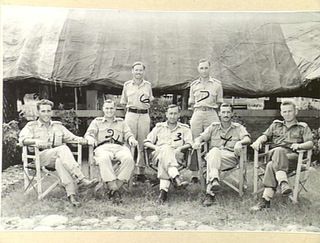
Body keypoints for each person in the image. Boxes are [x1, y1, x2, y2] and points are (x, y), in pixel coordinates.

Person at [19, 99, 98, 207]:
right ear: (38, 112)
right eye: (43, 111)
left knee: (60, 161)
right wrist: (35, 141)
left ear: (51, 112)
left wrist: (84, 140)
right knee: (62, 149)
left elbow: (73, 138)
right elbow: (22, 140)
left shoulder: (58, 126)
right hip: (40, 157)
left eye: (48, 111)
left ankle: (71, 196)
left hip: (56, 157)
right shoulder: (31, 126)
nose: (46, 114)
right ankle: (81, 179)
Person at [250, 100, 313, 211]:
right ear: (281, 113)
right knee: (279, 150)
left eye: (290, 111)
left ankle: (265, 200)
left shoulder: (302, 127)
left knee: (270, 165)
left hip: (292, 158)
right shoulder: (276, 125)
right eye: (284, 111)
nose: (287, 114)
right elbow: (265, 136)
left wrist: (299, 146)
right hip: (274, 154)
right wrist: (258, 141)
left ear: (296, 112)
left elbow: (310, 143)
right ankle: (283, 182)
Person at [193, 103, 251, 207]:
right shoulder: (213, 127)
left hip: (230, 158)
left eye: (228, 112)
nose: (226, 114)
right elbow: (201, 138)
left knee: (213, 155)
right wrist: (197, 142)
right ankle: (213, 183)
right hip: (214, 157)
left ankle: (210, 190)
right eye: (223, 112)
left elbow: (247, 139)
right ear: (219, 113)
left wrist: (239, 142)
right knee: (214, 152)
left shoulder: (238, 128)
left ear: (232, 113)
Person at [84, 99, 138, 204]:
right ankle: (115, 190)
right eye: (107, 108)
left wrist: (131, 139)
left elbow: (128, 134)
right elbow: (89, 134)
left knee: (129, 159)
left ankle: (113, 188)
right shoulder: (97, 122)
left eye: (111, 108)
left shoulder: (122, 122)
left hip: (119, 147)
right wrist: (90, 138)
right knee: (104, 158)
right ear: (103, 109)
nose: (109, 110)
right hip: (103, 147)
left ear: (115, 109)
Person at [144, 104, 192, 204]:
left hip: (176, 156)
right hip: (158, 154)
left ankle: (163, 193)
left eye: (175, 113)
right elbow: (146, 142)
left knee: (165, 158)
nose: (172, 116)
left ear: (179, 115)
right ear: (166, 114)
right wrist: (156, 147)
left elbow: (189, 143)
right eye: (170, 113)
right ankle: (176, 177)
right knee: (165, 149)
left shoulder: (185, 128)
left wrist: (180, 148)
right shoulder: (159, 127)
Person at [188, 59, 224, 183]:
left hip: (211, 113)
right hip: (197, 113)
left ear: (210, 68)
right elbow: (191, 103)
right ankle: (195, 175)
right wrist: (199, 111)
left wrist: (209, 110)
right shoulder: (194, 85)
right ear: (198, 69)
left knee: (214, 141)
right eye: (201, 68)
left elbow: (219, 102)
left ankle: (211, 173)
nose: (204, 70)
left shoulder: (217, 84)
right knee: (195, 142)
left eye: (206, 68)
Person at [120, 61, 154, 183]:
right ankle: (127, 173)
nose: (138, 72)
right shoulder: (127, 85)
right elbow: (123, 102)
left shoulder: (148, 85)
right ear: (132, 71)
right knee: (129, 142)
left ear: (143, 72)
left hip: (144, 115)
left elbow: (150, 101)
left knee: (142, 143)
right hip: (131, 115)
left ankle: (141, 172)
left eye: (140, 70)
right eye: (136, 70)